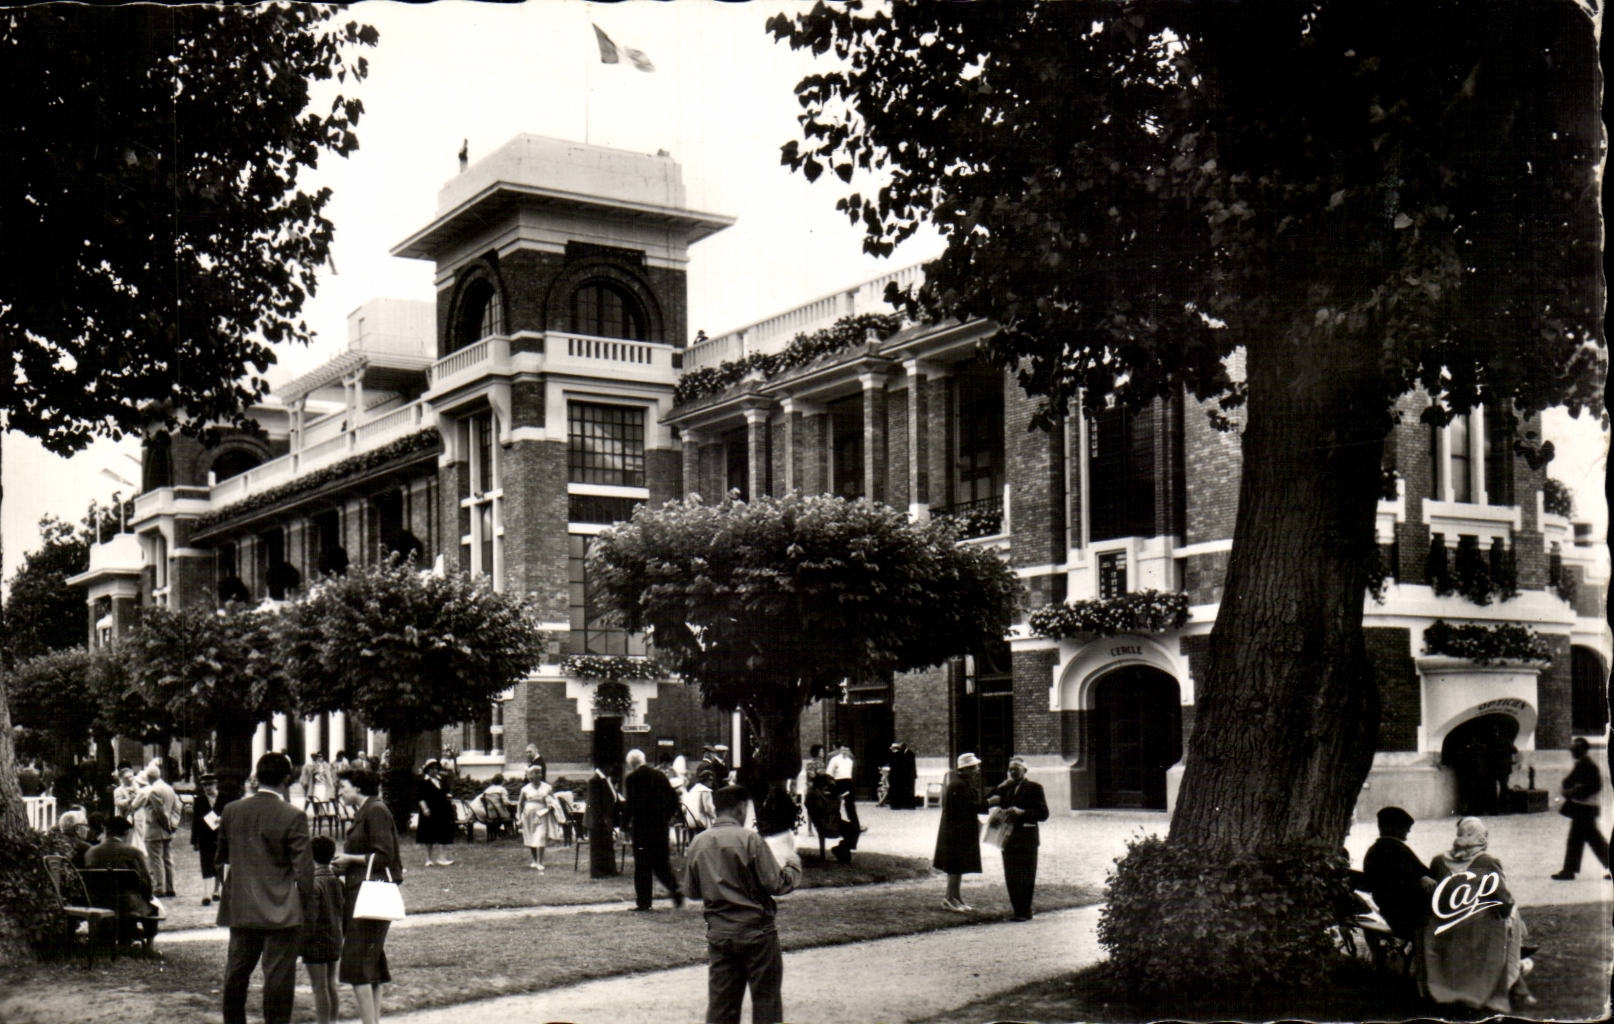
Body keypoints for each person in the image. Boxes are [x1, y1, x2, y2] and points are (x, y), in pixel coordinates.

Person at [683, 784, 802, 1024]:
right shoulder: (750, 839)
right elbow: (776, 884)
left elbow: (692, 892)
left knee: (721, 1005)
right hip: (756, 932)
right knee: (766, 1001)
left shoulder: (698, 843)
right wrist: (792, 865)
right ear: (740, 808)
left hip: (720, 933)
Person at [216, 751, 315, 1024]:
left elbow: (220, 858)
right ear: (285, 780)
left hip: (242, 906)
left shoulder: (231, 810)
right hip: (280, 909)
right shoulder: (293, 815)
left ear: (256, 777)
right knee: (278, 980)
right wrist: (306, 908)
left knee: (236, 974)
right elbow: (304, 871)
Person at [1421, 816, 1535, 1013]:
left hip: (1445, 927)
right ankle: (1517, 978)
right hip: (1478, 930)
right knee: (1512, 919)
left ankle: (1518, 981)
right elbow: (1503, 900)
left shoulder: (1439, 861)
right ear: (1481, 838)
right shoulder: (1487, 862)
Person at [333, 766, 400, 1024]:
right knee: (370, 961)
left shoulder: (375, 811)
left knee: (357, 962)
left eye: (343, 786)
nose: (340, 791)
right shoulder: (367, 811)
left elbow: (384, 855)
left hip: (369, 894)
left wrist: (349, 858)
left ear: (358, 787)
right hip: (362, 893)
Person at [621, 748, 686, 911]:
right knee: (661, 863)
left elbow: (630, 805)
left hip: (642, 829)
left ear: (631, 764)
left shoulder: (631, 779)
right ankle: (675, 888)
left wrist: (624, 825)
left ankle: (644, 902)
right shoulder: (660, 776)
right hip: (660, 828)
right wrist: (667, 817)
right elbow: (674, 800)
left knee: (642, 866)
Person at [987, 755, 1049, 921]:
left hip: (1027, 837)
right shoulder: (1006, 788)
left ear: (1025, 770)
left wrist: (1022, 812)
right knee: (1011, 874)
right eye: (1011, 769)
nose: (1013, 771)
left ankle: (1025, 910)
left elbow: (1043, 814)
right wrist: (1001, 785)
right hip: (1008, 838)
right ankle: (1017, 910)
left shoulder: (1035, 788)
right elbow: (989, 798)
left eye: (1017, 768)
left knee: (1026, 874)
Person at [83, 815, 161, 947]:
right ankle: (148, 947)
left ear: (106, 831)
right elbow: (145, 881)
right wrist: (146, 896)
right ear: (126, 832)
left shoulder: (91, 852)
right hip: (127, 903)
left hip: (97, 901)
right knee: (153, 908)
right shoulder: (133, 852)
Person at [1361, 805, 1436, 941]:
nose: (1408, 831)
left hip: (1390, 911)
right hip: (1405, 917)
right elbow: (1421, 874)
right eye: (1405, 827)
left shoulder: (1374, 850)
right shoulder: (1396, 850)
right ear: (1395, 828)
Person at [933, 752, 985, 912]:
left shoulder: (962, 784)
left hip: (960, 831)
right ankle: (950, 898)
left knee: (958, 867)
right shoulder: (958, 785)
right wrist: (989, 803)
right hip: (956, 833)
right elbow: (967, 808)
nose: (977, 770)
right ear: (967, 769)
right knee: (955, 867)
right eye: (974, 767)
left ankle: (956, 897)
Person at [1552, 737, 1610, 880]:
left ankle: (1569, 870)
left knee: (1582, 840)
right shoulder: (1584, 764)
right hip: (1585, 808)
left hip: (1585, 808)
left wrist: (1574, 791)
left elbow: (1594, 786)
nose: (1572, 752)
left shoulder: (1588, 765)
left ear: (1582, 750)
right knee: (1589, 840)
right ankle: (1569, 870)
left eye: (1575, 749)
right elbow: (1568, 782)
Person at [301, 835, 345, 1024]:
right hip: (334, 938)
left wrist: (300, 943)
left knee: (319, 987)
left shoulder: (313, 884)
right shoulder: (337, 882)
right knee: (330, 984)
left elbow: (310, 919)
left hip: (315, 942)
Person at [143, 760, 182, 898]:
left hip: (155, 830)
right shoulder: (169, 788)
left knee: (156, 860)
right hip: (167, 831)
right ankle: (170, 887)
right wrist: (174, 824)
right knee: (168, 859)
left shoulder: (154, 790)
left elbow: (160, 812)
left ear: (149, 777)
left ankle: (159, 887)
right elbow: (177, 806)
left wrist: (167, 825)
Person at [415, 760, 456, 867]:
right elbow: (420, 797)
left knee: (443, 834)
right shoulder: (422, 782)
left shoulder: (441, 780)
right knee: (429, 835)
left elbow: (447, 792)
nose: (435, 770)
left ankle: (442, 858)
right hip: (429, 811)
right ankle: (428, 859)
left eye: (436, 768)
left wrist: (448, 797)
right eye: (432, 768)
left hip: (442, 810)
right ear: (428, 770)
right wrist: (425, 809)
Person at [192, 773, 224, 906]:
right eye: (204, 785)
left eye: (210, 785)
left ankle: (217, 890)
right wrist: (194, 840)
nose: (207, 788)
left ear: (216, 784)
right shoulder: (199, 800)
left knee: (219, 863)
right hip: (205, 836)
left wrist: (222, 819)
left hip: (221, 836)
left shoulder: (224, 799)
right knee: (206, 863)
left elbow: (229, 815)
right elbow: (195, 821)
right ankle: (206, 894)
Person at [517, 766, 556, 871]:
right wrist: (519, 817)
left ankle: (540, 862)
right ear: (530, 776)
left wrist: (551, 805)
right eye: (536, 773)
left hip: (542, 814)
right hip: (528, 814)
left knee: (540, 836)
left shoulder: (547, 787)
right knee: (531, 836)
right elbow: (520, 803)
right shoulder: (525, 789)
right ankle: (534, 860)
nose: (539, 775)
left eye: (540, 773)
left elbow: (554, 800)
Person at [587, 764, 620, 878]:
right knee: (598, 846)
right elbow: (594, 803)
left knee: (607, 844)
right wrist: (601, 819)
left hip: (607, 817)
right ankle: (597, 872)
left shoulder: (607, 780)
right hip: (598, 819)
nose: (612, 768)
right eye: (610, 765)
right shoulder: (594, 781)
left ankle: (610, 869)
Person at [112, 763, 149, 858]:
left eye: (131, 777)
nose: (130, 779)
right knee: (125, 834)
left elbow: (142, 798)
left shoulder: (137, 787)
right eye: (126, 778)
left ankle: (138, 851)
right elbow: (118, 802)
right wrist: (129, 800)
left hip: (137, 814)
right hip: (124, 814)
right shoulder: (118, 790)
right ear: (121, 779)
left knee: (139, 834)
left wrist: (136, 798)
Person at [826, 745, 861, 845]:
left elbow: (852, 773)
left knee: (850, 804)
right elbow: (829, 773)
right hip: (838, 782)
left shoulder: (850, 760)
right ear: (840, 750)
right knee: (836, 803)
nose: (845, 752)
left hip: (848, 782)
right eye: (843, 750)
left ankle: (855, 824)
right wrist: (832, 784)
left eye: (847, 749)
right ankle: (835, 823)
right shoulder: (835, 759)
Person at [474, 774, 515, 840]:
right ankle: (509, 833)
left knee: (507, 813)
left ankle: (499, 832)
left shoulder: (487, 790)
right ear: (502, 781)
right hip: (500, 813)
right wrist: (511, 803)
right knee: (511, 814)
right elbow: (506, 802)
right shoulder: (502, 789)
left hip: (489, 814)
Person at [887, 742, 918, 810]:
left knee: (909, 790)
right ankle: (905, 804)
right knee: (905, 790)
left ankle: (909, 805)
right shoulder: (900, 754)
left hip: (908, 775)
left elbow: (909, 765)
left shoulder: (909, 753)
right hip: (902, 776)